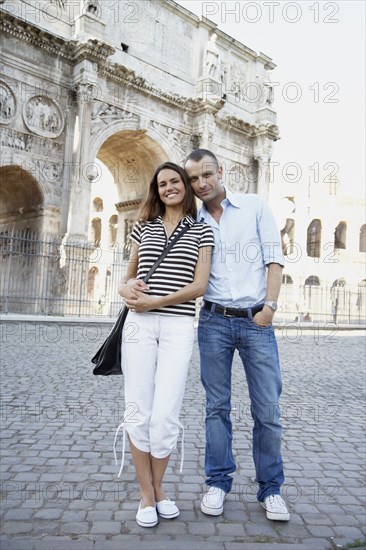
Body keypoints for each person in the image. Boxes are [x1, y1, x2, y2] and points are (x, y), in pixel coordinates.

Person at [184, 149, 290, 522]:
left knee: (268, 410)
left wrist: (269, 309)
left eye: (207, 174)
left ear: (221, 171)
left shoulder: (255, 206)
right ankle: (217, 482)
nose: (201, 183)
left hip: (255, 320)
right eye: (194, 179)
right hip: (213, 321)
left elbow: (273, 260)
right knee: (216, 408)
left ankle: (271, 489)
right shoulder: (191, 220)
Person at [115, 162, 214, 528]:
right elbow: (128, 278)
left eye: (175, 182)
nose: (169, 187)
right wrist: (126, 289)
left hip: (177, 327)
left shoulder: (202, 230)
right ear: (155, 191)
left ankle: (158, 488)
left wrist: (153, 302)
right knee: (137, 410)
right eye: (162, 184)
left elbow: (199, 286)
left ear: (185, 188)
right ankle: (149, 494)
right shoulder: (143, 226)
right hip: (139, 326)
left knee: (166, 416)